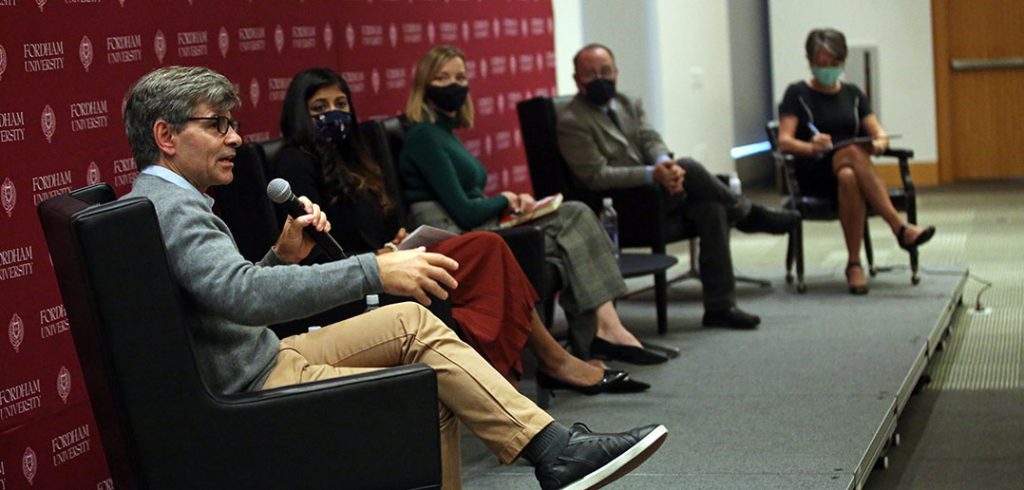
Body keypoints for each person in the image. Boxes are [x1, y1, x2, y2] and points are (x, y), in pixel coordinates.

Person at [121, 65, 666, 490]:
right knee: (423, 393)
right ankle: (556, 452)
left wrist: (281, 258)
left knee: (409, 320)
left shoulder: (163, 201)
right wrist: (372, 268)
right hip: (254, 383)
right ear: (166, 135)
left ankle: (555, 451)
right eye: (217, 125)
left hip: (261, 355)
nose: (235, 138)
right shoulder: (174, 208)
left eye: (232, 124)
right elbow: (243, 297)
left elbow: (221, 298)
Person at [272, 66, 649, 394]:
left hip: (395, 257)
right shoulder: (295, 163)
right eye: (320, 108)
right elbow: (315, 249)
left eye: (341, 105)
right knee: (488, 247)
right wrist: (377, 258)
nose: (334, 115)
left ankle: (543, 366)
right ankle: (550, 364)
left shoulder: (356, 154)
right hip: (360, 276)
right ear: (300, 114)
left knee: (490, 249)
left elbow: (386, 220)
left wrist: (397, 239)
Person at [400, 44, 667, 365]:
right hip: (456, 239)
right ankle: (603, 334)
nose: (454, 85)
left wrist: (511, 205)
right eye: (442, 78)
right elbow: (463, 211)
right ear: (424, 85)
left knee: (569, 229)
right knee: (574, 216)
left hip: (477, 227)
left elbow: (468, 202)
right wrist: (507, 199)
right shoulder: (424, 137)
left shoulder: (445, 133)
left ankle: (600, 336)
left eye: (460, 76)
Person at [557, 43, 801, 329]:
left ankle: (720, 308)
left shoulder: (628, 102)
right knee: (690, 166)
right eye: (591, 74)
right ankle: (748, 213)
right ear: (577, 79)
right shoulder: (572, 120)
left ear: (616, 72)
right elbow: (595, 176)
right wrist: (653, 174)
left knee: (710, 207)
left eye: (606, 71)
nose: (601, 78)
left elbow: (650, 139)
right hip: (621, 208)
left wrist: (664, 165)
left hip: (658, 194)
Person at [776, 29, 935, 294]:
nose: (826, 69)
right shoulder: (797, 93)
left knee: (849, 173)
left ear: (842, 62)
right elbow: (785, 141)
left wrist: (879, 144)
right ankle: (899, 227)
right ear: (810, 61)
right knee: (850, 152)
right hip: (813, 170)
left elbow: (879, 132)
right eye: (821, 64)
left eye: (833, 64)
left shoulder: (853, 94)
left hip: (849, 173)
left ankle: (854, 265)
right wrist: (811, 146)